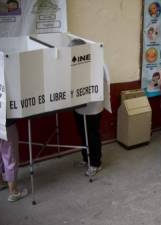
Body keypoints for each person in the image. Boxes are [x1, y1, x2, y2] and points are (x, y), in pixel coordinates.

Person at [69, 38, 110, 177]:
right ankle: (86, 158)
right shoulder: (75, 61)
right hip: (79, 106)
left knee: (92, 134)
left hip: (93, 107)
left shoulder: (96, 62)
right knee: (82, 133)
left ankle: (95, 163)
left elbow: (101, 83)